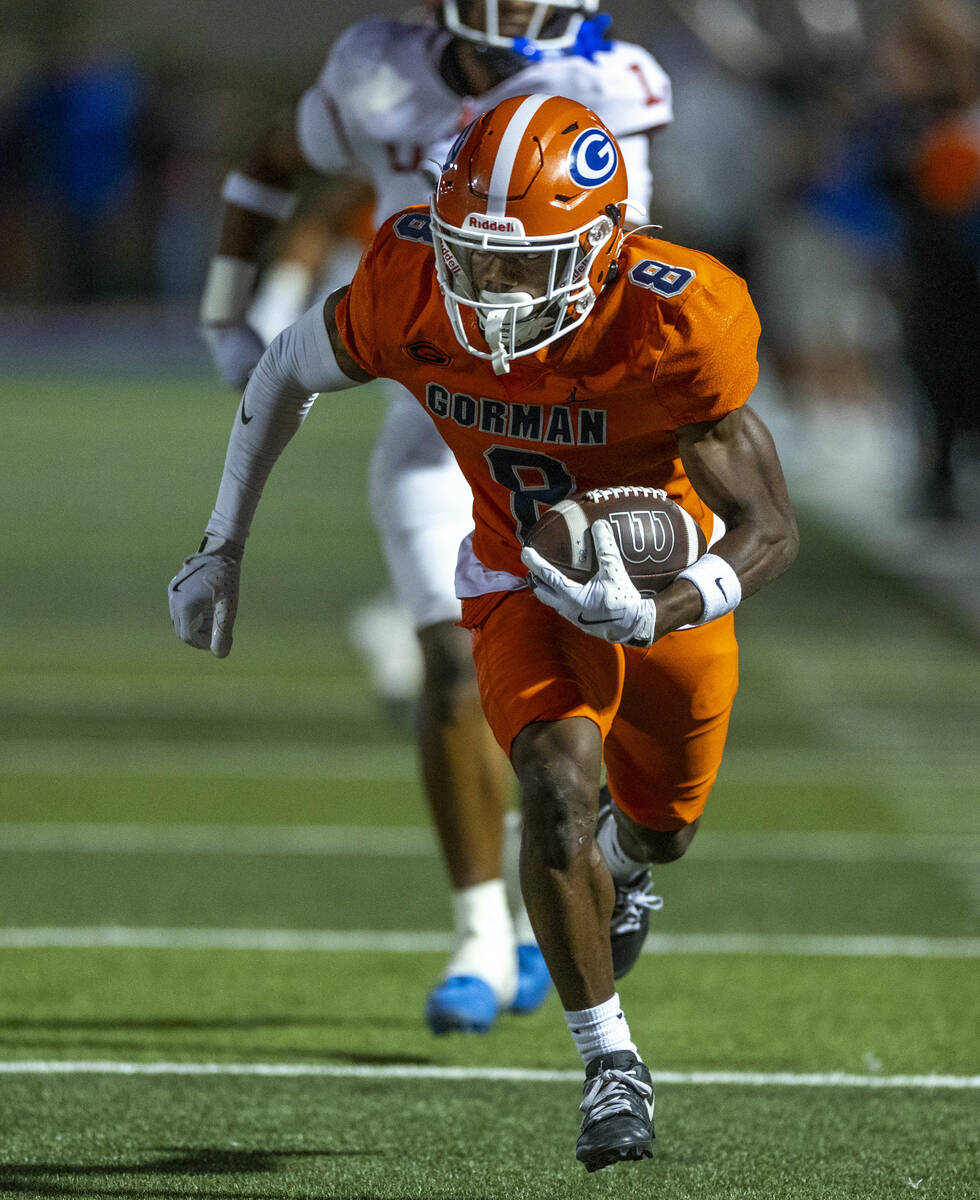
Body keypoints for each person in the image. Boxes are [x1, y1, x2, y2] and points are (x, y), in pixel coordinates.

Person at [170, 94, 798, 1171]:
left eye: (525, 263)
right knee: (554, 784)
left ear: (605, 246)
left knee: (660, 829)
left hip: (667, 582)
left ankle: (627, 864)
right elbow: (283, 368)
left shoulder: (676, 313)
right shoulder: (411, 279)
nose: (491, 289)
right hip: (514, 575)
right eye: (472, 255)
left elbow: (767, 526)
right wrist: (222, 541)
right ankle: (609, 1064)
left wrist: (660, 605)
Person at [197, 0, 673, 1034]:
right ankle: (479, 934)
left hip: (558, 427)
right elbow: (269, 159)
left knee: (602, 699)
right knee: (451, 666)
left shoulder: (606, 85)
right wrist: (224, 309)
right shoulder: (376, 69)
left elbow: (625, 267)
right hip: (433, 418)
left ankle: (600, 868)